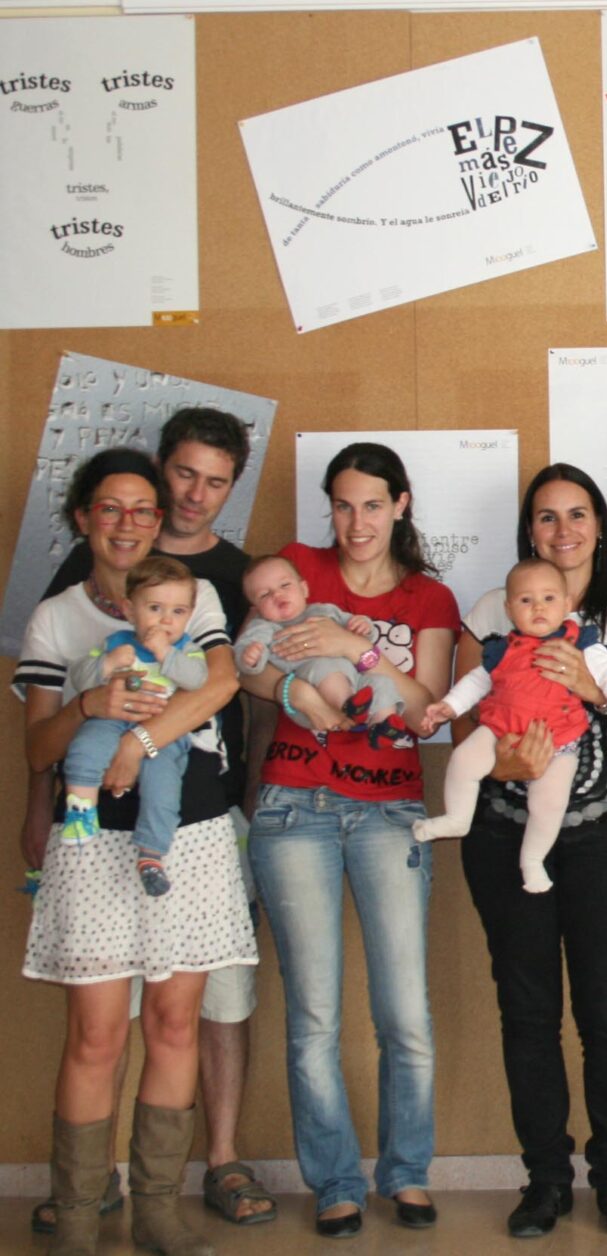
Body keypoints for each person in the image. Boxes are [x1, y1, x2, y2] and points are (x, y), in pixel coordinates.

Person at [28, 407, 277, 1232]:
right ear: (83, 519)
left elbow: (221, 684)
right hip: (90, 840)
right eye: (111, 509)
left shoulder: (195, 595)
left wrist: (136, 743)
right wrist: (89, 707)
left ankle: (159, 1213)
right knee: (97, 1036)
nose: (128, 523)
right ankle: (77, 1216)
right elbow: (37, 748)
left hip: (192, 835)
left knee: (176, 1024)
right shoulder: (58, 615)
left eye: (142, 510)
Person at [242, 442, 457, 1237]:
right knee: (313, 1016)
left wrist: (352, 651)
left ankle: (407, 1173)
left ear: (401, 505)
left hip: (389, 810)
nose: (356, 522)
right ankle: (335, 1181)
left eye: (372, 505)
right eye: (342, 505)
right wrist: (293, 688)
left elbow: (423, 710)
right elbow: (246, 665)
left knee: (406, 1013)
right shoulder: (294, 568)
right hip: (293, 807)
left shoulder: (429, 596)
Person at [458, 464, 607, 1238]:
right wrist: (501, 760)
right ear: (529, 530)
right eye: (547, 517)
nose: (563, 531)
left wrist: (592, 684)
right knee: (527, 1012)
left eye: (578, 514)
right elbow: (463, 724)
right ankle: (545, 1179)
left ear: (600, 525)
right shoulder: (493, 608)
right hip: (503, 838)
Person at [416, 558, 607, 893]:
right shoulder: (502, 649)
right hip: (499, 730)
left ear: (566, 604)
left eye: (549, 598)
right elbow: (476, 682)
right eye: (526, 600)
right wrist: (448, 707)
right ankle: (457, 818)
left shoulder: (579, 643)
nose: (538, 607)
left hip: (558, 741)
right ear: (509, 609)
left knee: (548, 804)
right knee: (463, 760)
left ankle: (532, 861)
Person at [59, 555, 210, 896]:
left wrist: (165, 653)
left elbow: (197, 680)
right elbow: (80, 677)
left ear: (189, 614)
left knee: (163, 786)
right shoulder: (117, 644)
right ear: (130, 610)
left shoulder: (187, 649)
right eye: (155, 608)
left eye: (178, 611)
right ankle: (81, 812)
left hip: (164, 734)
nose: (166, 620)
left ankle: (152, 855)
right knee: (84, 747)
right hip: (113, 721)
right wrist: (106, 664)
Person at [236, 555, 402, 745]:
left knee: (381, 682)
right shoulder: (264, 627)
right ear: (257, 609)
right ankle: (350, 706)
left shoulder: (325, 611)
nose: (277, 595)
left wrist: (363, 626)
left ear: (304, 589)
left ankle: (381, 726)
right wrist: (250, 656)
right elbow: (243, 651)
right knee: (322, 666)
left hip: (355, 682)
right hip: (313, 698)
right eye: (265, 595)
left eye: (285, 585)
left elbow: (357, 628)